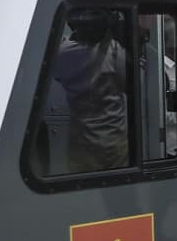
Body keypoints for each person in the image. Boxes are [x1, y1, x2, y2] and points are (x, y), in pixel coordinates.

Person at [51, 9, 130, 172]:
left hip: (82, 144)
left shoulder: (62, 53)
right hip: (113, 142)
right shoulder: (115, 51)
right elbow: (130, 83)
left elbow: (57, 72)